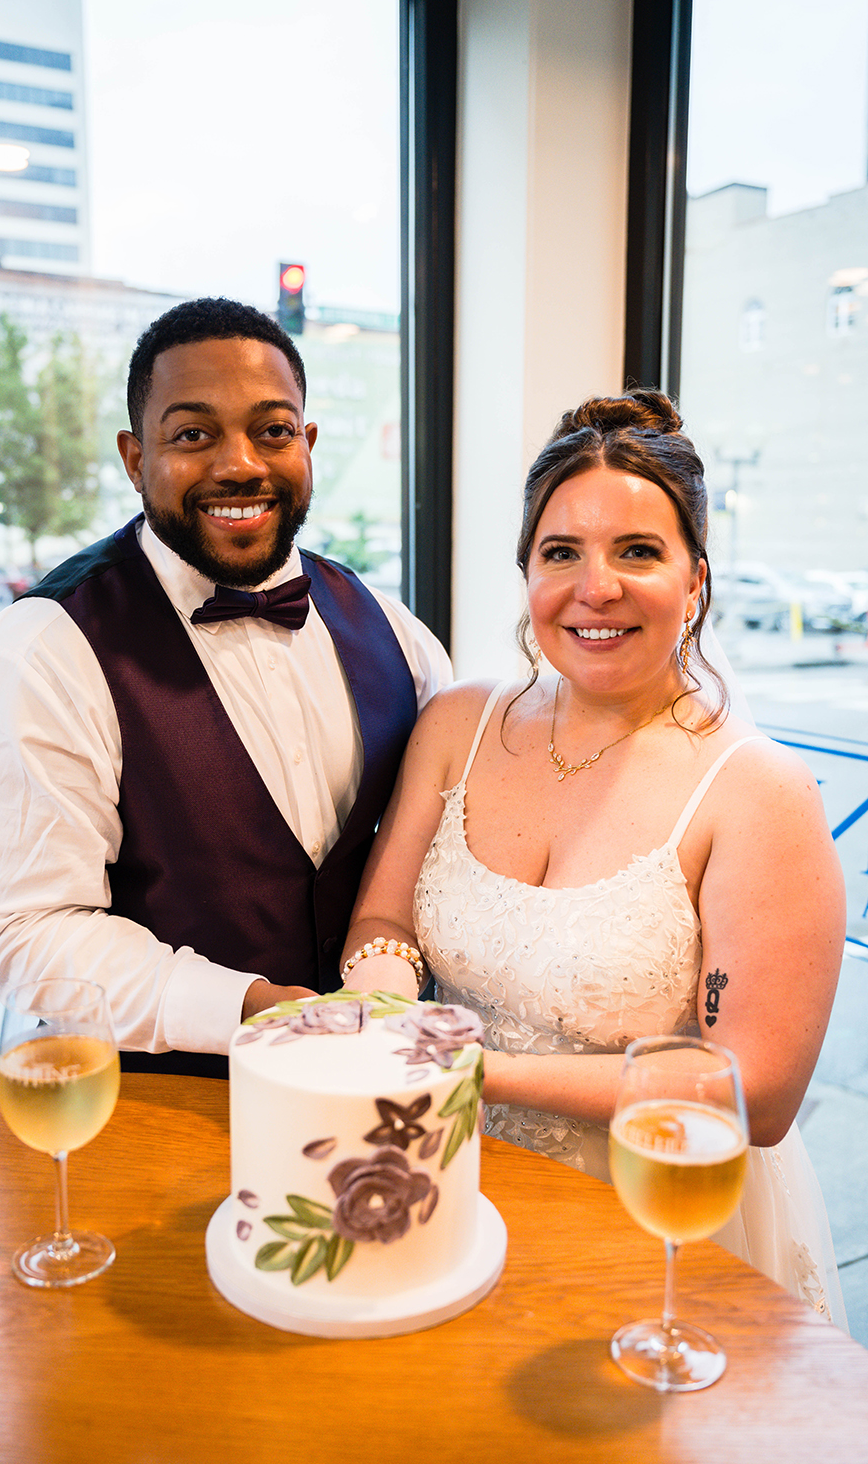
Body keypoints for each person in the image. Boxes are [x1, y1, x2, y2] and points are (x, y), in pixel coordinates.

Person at [339, 390, 847, 1325]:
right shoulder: (459, 723)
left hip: (658, 1211)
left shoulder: (756, 793)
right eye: (561, 552)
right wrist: (381, 1003)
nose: (596, 587)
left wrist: (462, 1070)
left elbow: (758, 1093)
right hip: (450, 1179)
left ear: (695, 579)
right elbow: (382, 919)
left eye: (639, 553)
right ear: (527, 574)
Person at [0, 297, 451, 1078]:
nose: (240, 464)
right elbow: (25, 928)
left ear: (308, 444)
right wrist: (250, 1009)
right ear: (133, 457)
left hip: (372, 1096)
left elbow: (442, 862)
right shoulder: (49, 647)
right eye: (193, 435)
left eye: (273, 430)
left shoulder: (398, 635)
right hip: (157, 1112)